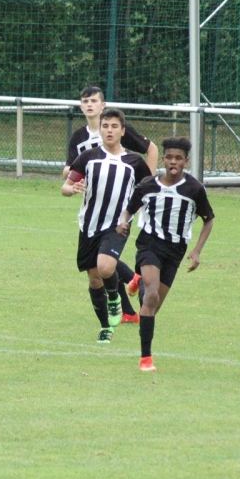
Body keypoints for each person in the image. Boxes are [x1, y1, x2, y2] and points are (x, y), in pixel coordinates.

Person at [116, 137, 215, 372]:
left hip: (175, 251)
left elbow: (208, 219)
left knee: (153, 305)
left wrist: (197, 251)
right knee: (151, 297)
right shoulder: (148, 185)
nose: (173, 162)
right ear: (163, 159)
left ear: (185, 161)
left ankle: (138, 281)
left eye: (178, 158)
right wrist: (122, 222)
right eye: (169, 157)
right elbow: (128, 210)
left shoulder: (194, 189)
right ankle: (146, 359)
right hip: (149, 244)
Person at [63, 85, 159, 324]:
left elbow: (151, 150)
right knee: (97, 271)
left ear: (103, 105)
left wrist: (141, 191)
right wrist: (76, 180)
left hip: (118, 215)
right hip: (91, 211)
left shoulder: (120, 134)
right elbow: (69, 171)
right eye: (85, 101)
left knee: (106, 264)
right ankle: (127, 311)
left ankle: (133, 284)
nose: (89, 105)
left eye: (94, 101)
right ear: (80, 106)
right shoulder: (80, 139)